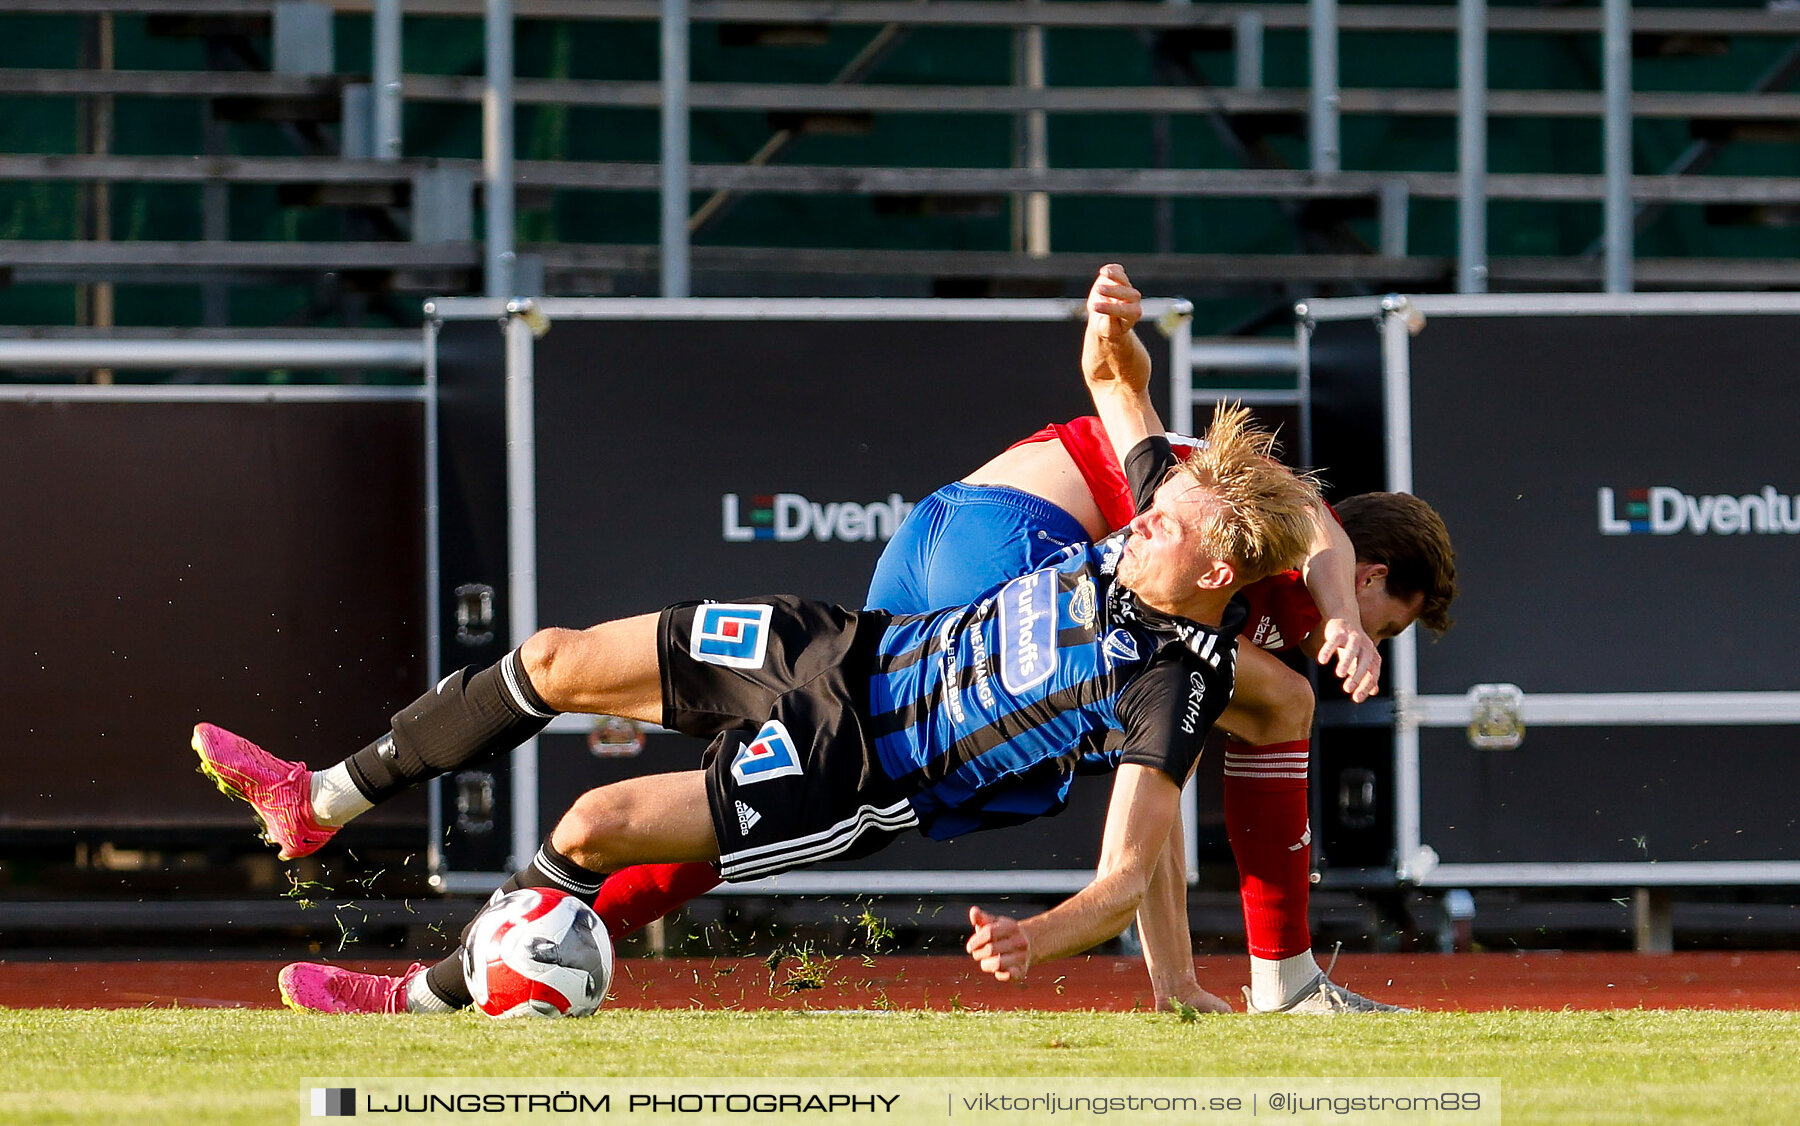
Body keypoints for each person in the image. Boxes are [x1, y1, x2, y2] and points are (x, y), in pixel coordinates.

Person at [196, 394, 1325, 1016]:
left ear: (1215, 574)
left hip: (858, 765)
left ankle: (412, 997)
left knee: (584, 829)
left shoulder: (1178, 675)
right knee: (557, 654)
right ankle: (319, 798)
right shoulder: (1151, 531)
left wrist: (1042, 938)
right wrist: (1109, 320)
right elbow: (1115, 377)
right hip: (833, 645)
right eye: (1160, 498)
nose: (1145, 515)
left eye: (1170, 518)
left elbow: (1133, 866)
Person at [557, 266, 1456, 1014]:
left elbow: (1163, 768)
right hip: (1017, 542)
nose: (1377, 641)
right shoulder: (1268, 528)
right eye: (1392, 623)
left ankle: (542, 930)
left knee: (787, 777)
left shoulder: (1223, 593)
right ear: (1377, 578)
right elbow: (1315, 528)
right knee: (1280, 701)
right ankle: (1285, 983)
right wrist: (1341, 617)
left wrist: (1173, 978)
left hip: (947, 540)